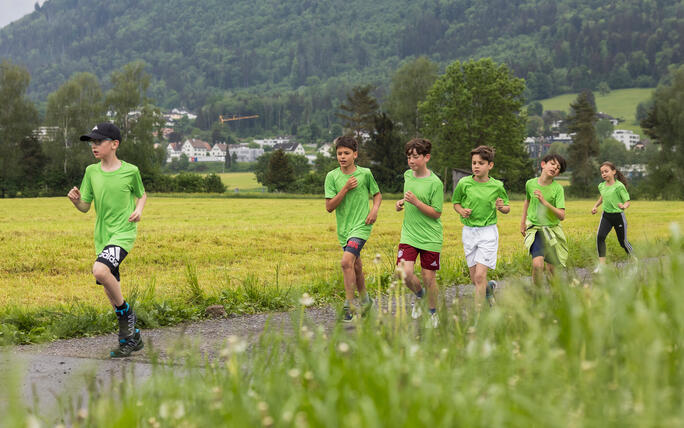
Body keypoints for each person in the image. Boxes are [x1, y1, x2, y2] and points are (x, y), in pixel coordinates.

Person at [68, 123, 147, 358]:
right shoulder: (91, 172)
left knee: (100, 271)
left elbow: (141, 193)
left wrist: (139, 210)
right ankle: (131, 338)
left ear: (114, 144)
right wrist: (75, 201)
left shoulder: (130, 171)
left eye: (98, 141)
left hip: (123, 232)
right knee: (109, 287)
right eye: (91, 142)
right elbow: (85, 207)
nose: (93, 146)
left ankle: (126, 314)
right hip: (102, 236)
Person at [325, 136, 382, 322]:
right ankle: (365, 301)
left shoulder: (365, 173)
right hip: (344, 229)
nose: (342, 156)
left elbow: (377, 195)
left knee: (345, 262)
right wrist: (345, 188)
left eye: (346, 153)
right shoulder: (332, 177)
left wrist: (374, 210)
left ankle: (348, 306)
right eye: (339, 153)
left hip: (362, 226)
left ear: (355, 155)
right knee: (355, 266)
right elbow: (329, 206)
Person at [452, 145, 510, 307]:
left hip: (488, 233)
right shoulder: (464, 183)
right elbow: (455, 203)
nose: (476, 166)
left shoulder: (497, 186)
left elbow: (507, 208)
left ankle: (479, 318)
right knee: (474, 279)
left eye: (481, 163)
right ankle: (489, 289)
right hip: (469, 232)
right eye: (474, 163)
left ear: (490, 165)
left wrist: (501, 207)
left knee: (479, 277)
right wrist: (461, 211)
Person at [395, 138, 443, 328]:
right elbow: (410, 198)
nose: (411, 161)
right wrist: (401, 203)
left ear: (427, 157)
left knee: (428, 278)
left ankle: (432, 313)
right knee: (404, 272)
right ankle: (420, 296)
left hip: (430, 237)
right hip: (409, 234)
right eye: (409, 157)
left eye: (415, 157)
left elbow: (436, 213)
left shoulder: (435, 183)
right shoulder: (407, 175)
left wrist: (416, 202)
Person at [520, 154, 567, 286]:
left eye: (558, 168)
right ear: (543, 164)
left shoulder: (558, 189)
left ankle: (556, 297)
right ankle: (538, 295)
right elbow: (527, 201)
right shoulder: (530, 184)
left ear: (558, 173)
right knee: (537, 265)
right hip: (536, 230)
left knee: (552, 270)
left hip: (551, 231)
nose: (554, 168)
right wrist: (522, 222)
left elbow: (562, 215)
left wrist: (544, 202)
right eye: (552, 164)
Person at [591, 161, 633, 271]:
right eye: (602, 172)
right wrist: (595, 206)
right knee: (600, 237)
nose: (604, 174)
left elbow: (627, 201)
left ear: (613, 172)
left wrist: (624, 206)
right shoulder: (601, 186)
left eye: (606, 171)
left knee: (622, 242)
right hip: (606, 216)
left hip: (618, 216)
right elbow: (603, 197)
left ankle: (634, 259)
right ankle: (602, 266)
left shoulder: (619, 186)